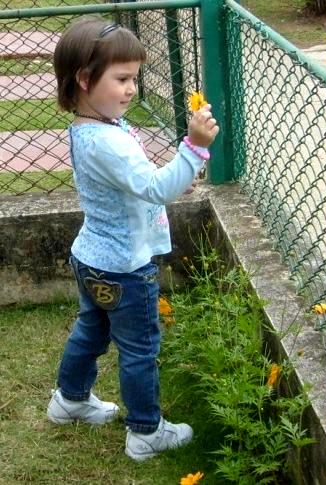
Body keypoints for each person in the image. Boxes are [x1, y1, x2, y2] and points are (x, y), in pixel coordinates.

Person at [45, 16, 219, 461]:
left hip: (93, 259)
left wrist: (177, 178)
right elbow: (156, 188)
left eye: (134, 78)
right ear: (85, 79)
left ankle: (70, 399)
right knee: (140, 349)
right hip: (125, 267)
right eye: (122, 79)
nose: (132, 89)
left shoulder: (91, 127)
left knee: (92, 330)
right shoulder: (109, 141)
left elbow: (141, 185)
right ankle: (146, 430)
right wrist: (194, 149)